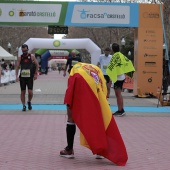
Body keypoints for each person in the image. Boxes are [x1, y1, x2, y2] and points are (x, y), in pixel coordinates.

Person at [60, 62, 128, 166]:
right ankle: (101, 150)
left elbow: (70, 90)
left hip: (82, 93)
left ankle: (69, 149)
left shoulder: (74, 72)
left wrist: (69, 104)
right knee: (99, 120)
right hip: (97, 95)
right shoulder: (95, 69)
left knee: (71, 119)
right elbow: (104, 88)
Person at [106, 43, 135, 116]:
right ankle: (121, 109)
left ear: (112, 49)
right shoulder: (122, 55)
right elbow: (128, 62)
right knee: (119, 94)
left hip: (118, 78)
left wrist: (110, 79)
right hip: (121, 76)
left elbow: (111, 68)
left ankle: (120, 110)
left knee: (118, 94)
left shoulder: (115, 56)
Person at [15, 44, 39, 111]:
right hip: (22, 77)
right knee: (23, 91)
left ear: (28, 50)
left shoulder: (32, 56)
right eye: (23, 51)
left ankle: (29, 101)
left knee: (30, 92)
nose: (24, 52)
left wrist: (35, 74)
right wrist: (16, 76)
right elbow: (17, 67)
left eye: (25, 51)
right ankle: (23, 105)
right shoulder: (20, 57)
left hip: (30, 77)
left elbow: (37, 65)